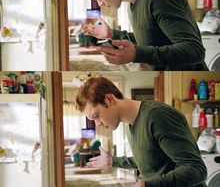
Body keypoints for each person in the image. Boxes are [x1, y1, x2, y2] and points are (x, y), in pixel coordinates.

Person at [78, 0, 208, 71]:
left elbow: (194, 50)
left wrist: (137, 54)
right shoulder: (132, 5)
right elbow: (150, 39)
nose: (100, 4)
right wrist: (111, 34)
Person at [75, 77, 207, 187]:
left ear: (109, 99)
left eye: (96, 116)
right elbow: (149, 160)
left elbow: (196, 169)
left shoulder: (157, 115)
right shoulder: (129, 124)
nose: (97, 124)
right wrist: (112, 161)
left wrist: (148, 185)